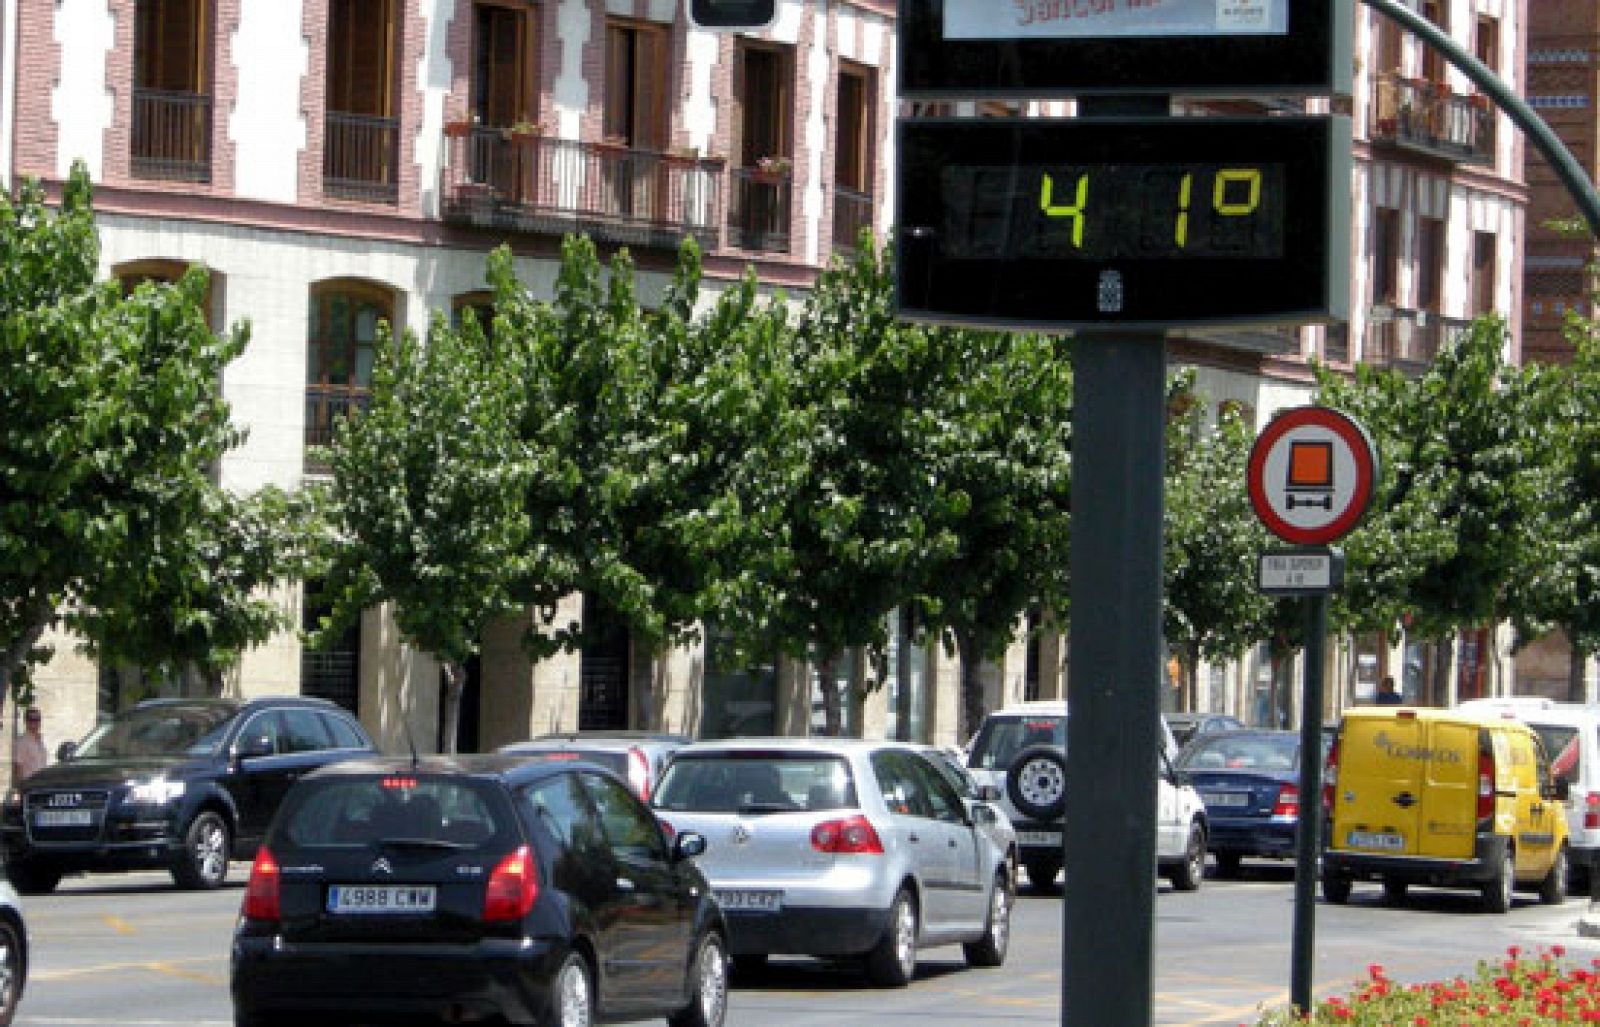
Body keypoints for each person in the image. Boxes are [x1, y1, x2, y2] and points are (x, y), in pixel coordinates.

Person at [13, 707, 47, 782]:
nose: (35, 723)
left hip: (42, 785)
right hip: (30, 786)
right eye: (32, 720)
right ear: (26, 722)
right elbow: (18, 767)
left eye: (38, 719)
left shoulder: (40, 741)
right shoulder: (22, 742)